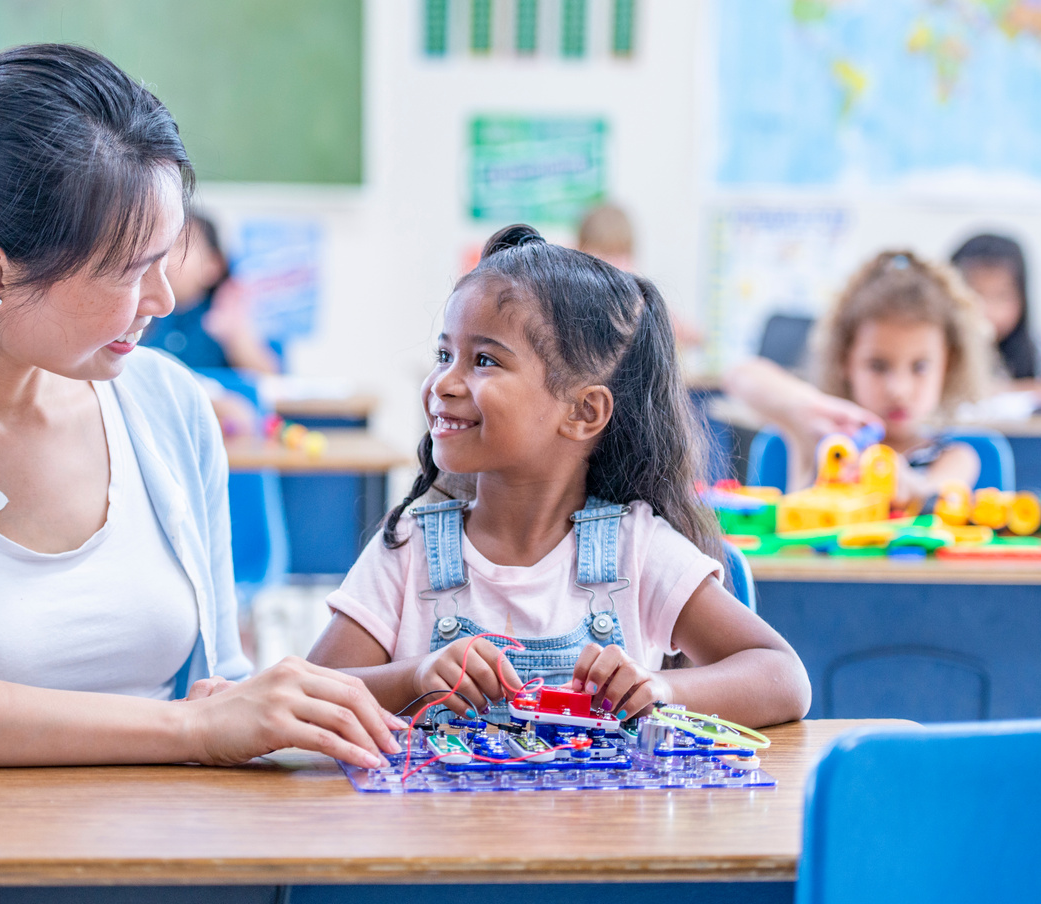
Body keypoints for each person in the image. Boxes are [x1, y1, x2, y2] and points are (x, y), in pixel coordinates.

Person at [0, 44, 401, 768]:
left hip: (175, 863)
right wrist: (185, 732)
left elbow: (221, 685)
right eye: (131, 271)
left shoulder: (168, 404)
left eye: (168, 258)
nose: (160, 300)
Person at [307, 225, 810, 730]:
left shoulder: (635, 548)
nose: (444, 382)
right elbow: (310, 695)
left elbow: (783, 678)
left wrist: (660, 690)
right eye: (444, 355)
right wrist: (414, 678)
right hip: (443, 813)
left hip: (601, 814)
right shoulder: (409, 548)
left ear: (584, 411)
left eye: (483, 360)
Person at [724, 250, 990, 505]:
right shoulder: (815, 438)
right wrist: (807, 405)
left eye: (919, 367)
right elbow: (740, 375)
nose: (899, 389)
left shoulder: (955, 458)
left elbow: (933, 493)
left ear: (949, 364)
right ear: (844, 360)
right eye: (878, 366)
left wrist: (901, 481)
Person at [142, 212, 280, 375]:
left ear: (213, 266)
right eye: (161, 245)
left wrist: (235, 335)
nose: (165, 257)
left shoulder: (229, 315)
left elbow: (272, 380)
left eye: (179, 245)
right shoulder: (142, 312)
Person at [950, 233, 1041, 398]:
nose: (987, 310)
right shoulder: (939, 344)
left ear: (1022, 298)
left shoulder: (1037, 345)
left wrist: (1003, 391)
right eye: (974, 295)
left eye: (1002, 296)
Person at [576, 203, 705, 349]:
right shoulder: (574, 297)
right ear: (580, 251)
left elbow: (690, 331)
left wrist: (690, 333)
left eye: (620, 254)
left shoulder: (637, 297)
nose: (612, 265)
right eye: (603, 255)